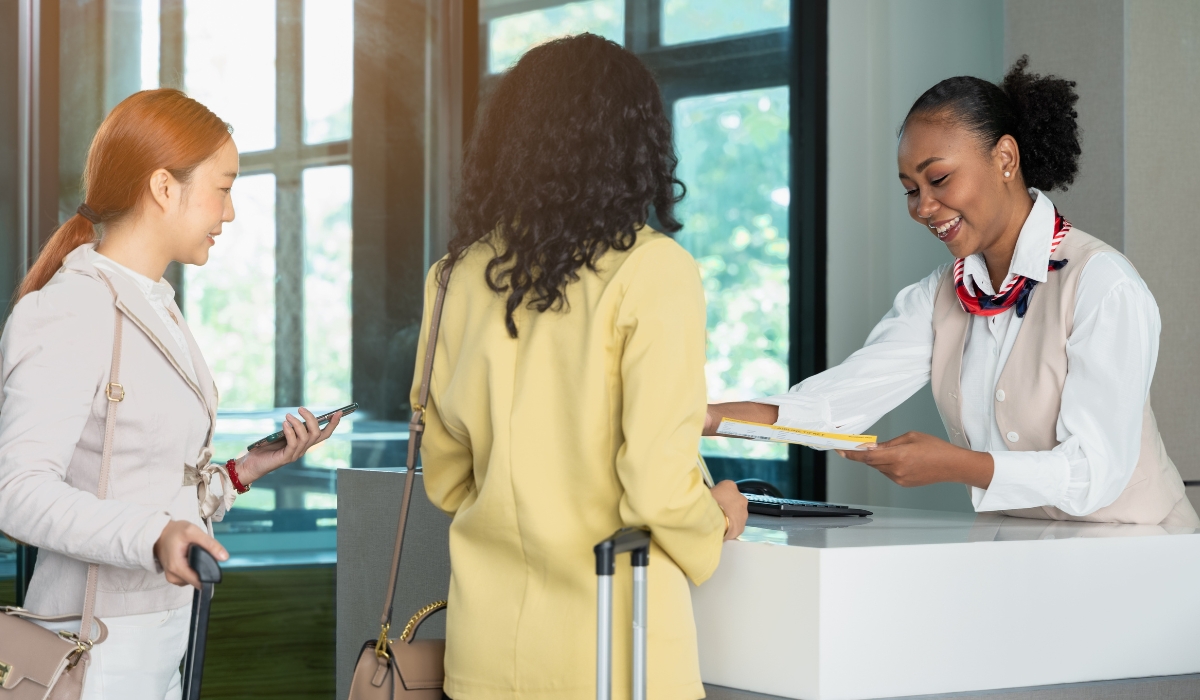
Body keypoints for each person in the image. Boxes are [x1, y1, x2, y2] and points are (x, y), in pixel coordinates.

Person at [705, 57, 1198, 528]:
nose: (923, 206)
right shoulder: (938, 297)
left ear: (1005, 157)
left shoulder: (1102, 284)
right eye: (910, 189)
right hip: (1019, 548)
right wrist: (708, 418)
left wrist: (957, 465)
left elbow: (1094, 471)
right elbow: (834, 405)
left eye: (938, 179)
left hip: (1143, 552)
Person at [412, 33, 748, 700]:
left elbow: (446, 479)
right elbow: (654, 479)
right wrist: (713, 518)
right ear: (638, 145)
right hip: (614, 655)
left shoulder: (454, 276)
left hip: (484, 657)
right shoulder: (653, 271)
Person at [0, 89, 342, 699]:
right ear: (164, 187)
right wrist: (153, 538)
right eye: (224, 187)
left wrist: (244, 470)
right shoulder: (72, 308)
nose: (230, 212)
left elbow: (146, 481)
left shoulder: (156, 306)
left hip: (157, 643)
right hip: (88, 654)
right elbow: (17, 493)